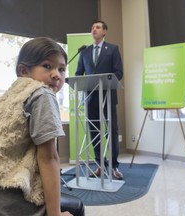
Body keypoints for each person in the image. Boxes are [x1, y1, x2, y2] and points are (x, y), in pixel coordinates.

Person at [0, 37, 74, 216]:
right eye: (47, 66)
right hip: (0, 202)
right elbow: (49, 158)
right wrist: (55, 214)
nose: (56, 74)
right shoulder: (43, 94)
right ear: (24, 70)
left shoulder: (10, 95)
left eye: (61, 69)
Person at [75, 20, 124, 180]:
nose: (94, 30)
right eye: (92, 28)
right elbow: (78, 74)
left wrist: (107, 80)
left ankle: (114, 166)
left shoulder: (113, 49)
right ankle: (100, 165)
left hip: (108, 96)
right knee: (94, 131)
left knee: (112, 131)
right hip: (90, 97)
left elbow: (118, 72)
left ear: (104, 32)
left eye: (97, 27)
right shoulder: (84, 52)